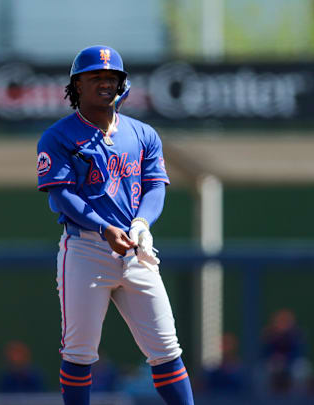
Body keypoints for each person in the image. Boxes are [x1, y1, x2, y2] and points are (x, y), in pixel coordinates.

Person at [36, 45, 194, 405]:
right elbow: (61, 195)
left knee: (166, 347)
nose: (105, 83)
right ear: (76, 84)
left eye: (112, 78)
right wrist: (103, 227)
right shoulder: (59, 136)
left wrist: (142, 222)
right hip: (86, 248)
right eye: (96, 77)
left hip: (136, 248)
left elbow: (155, 186)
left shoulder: (142, 133)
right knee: (79, 351)